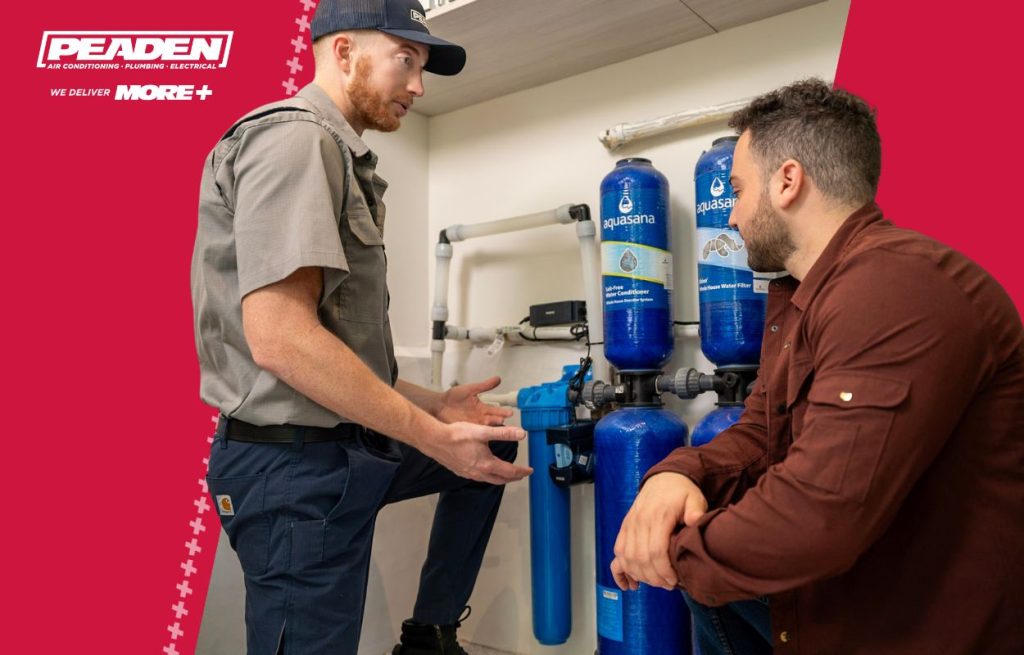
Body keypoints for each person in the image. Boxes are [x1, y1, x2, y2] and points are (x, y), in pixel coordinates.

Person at [610, 79, 1024, 654]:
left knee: (711, 578)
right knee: (714, 590)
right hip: (853, 595)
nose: (730, 216)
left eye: (737, 189)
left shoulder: (896, 291)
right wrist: (676, 475)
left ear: (787, 181)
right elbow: (759, 432)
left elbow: (816, 519)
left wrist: (668, 550)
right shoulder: (807, 299)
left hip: (921, 624)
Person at [190, 1, 532, 654]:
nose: (418, 86)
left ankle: (429, 635)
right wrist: (431, 434)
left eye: (423, 67)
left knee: (486, 447)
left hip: (341, 446)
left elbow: (341, 354)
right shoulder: (297, 141)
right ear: (343, 53)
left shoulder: (341, 157)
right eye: (406, 61)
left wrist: (439, 406)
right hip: (291, 469)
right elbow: (282, 338)